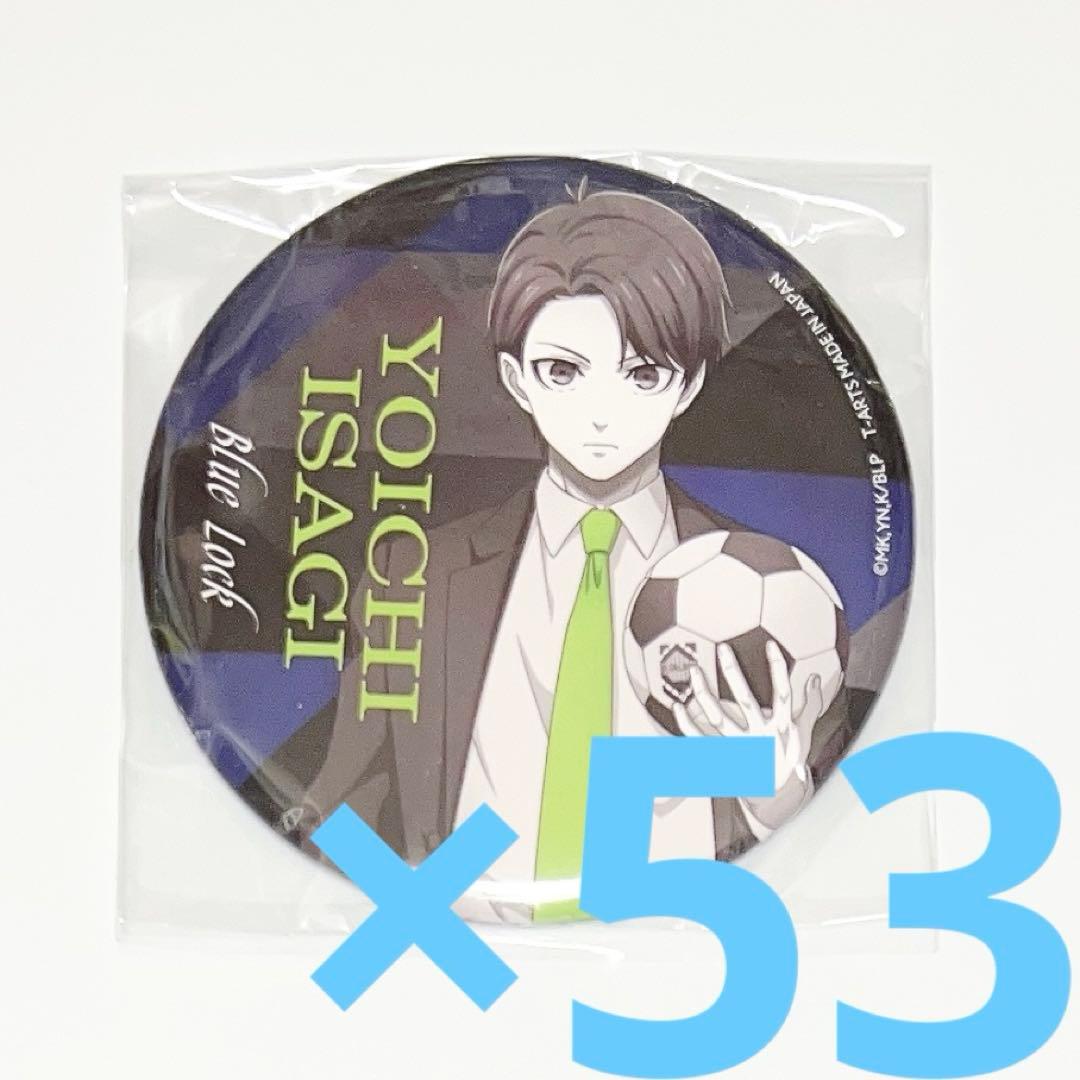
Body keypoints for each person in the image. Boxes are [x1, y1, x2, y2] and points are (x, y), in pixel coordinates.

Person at [299, 186, 840, 922]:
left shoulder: (779, 596)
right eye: (563, 370)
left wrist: (775, 795)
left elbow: (832, 836)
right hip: (454, 955)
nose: (601, 412)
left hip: (684, 952)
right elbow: (346, 803)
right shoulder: (415, 573)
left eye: (642, 374)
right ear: (516, 378)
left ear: (688, 387)